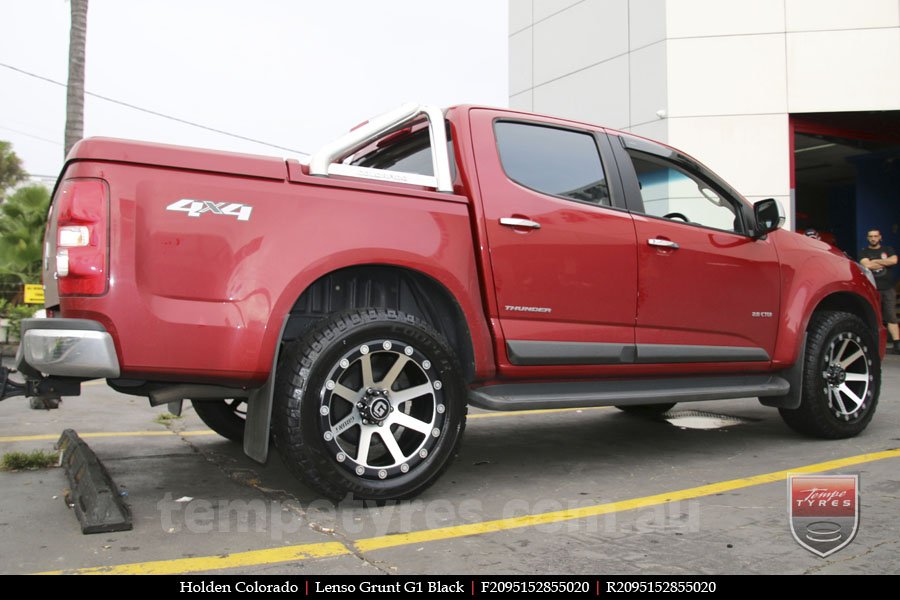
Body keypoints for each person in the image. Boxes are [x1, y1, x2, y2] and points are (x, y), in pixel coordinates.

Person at [859, 229, 900, 353]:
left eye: (875, 236)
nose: (873, 238)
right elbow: (867, 265)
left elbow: (894, 260)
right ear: (867, 238)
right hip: (872, 289)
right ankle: (874, 344)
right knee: (874, 316)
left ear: (880, 237)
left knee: (891, 316)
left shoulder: (888, 249)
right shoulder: (864, 252)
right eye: (870, 236)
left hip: (888, 288)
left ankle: (897, 344)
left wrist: (875, 261)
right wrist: (884, 263)